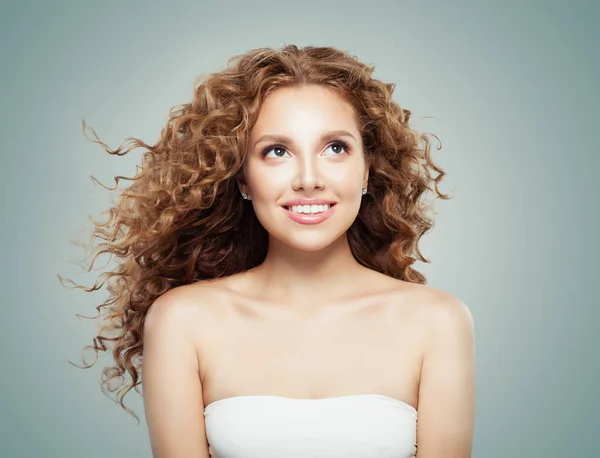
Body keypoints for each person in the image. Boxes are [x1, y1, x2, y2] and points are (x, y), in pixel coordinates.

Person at [66, 44, 475, 457]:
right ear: (243, 178)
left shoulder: (438, 323)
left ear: (367, 168)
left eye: (335, 147)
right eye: (277, 151)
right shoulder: (182, 321)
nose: (309, 179)